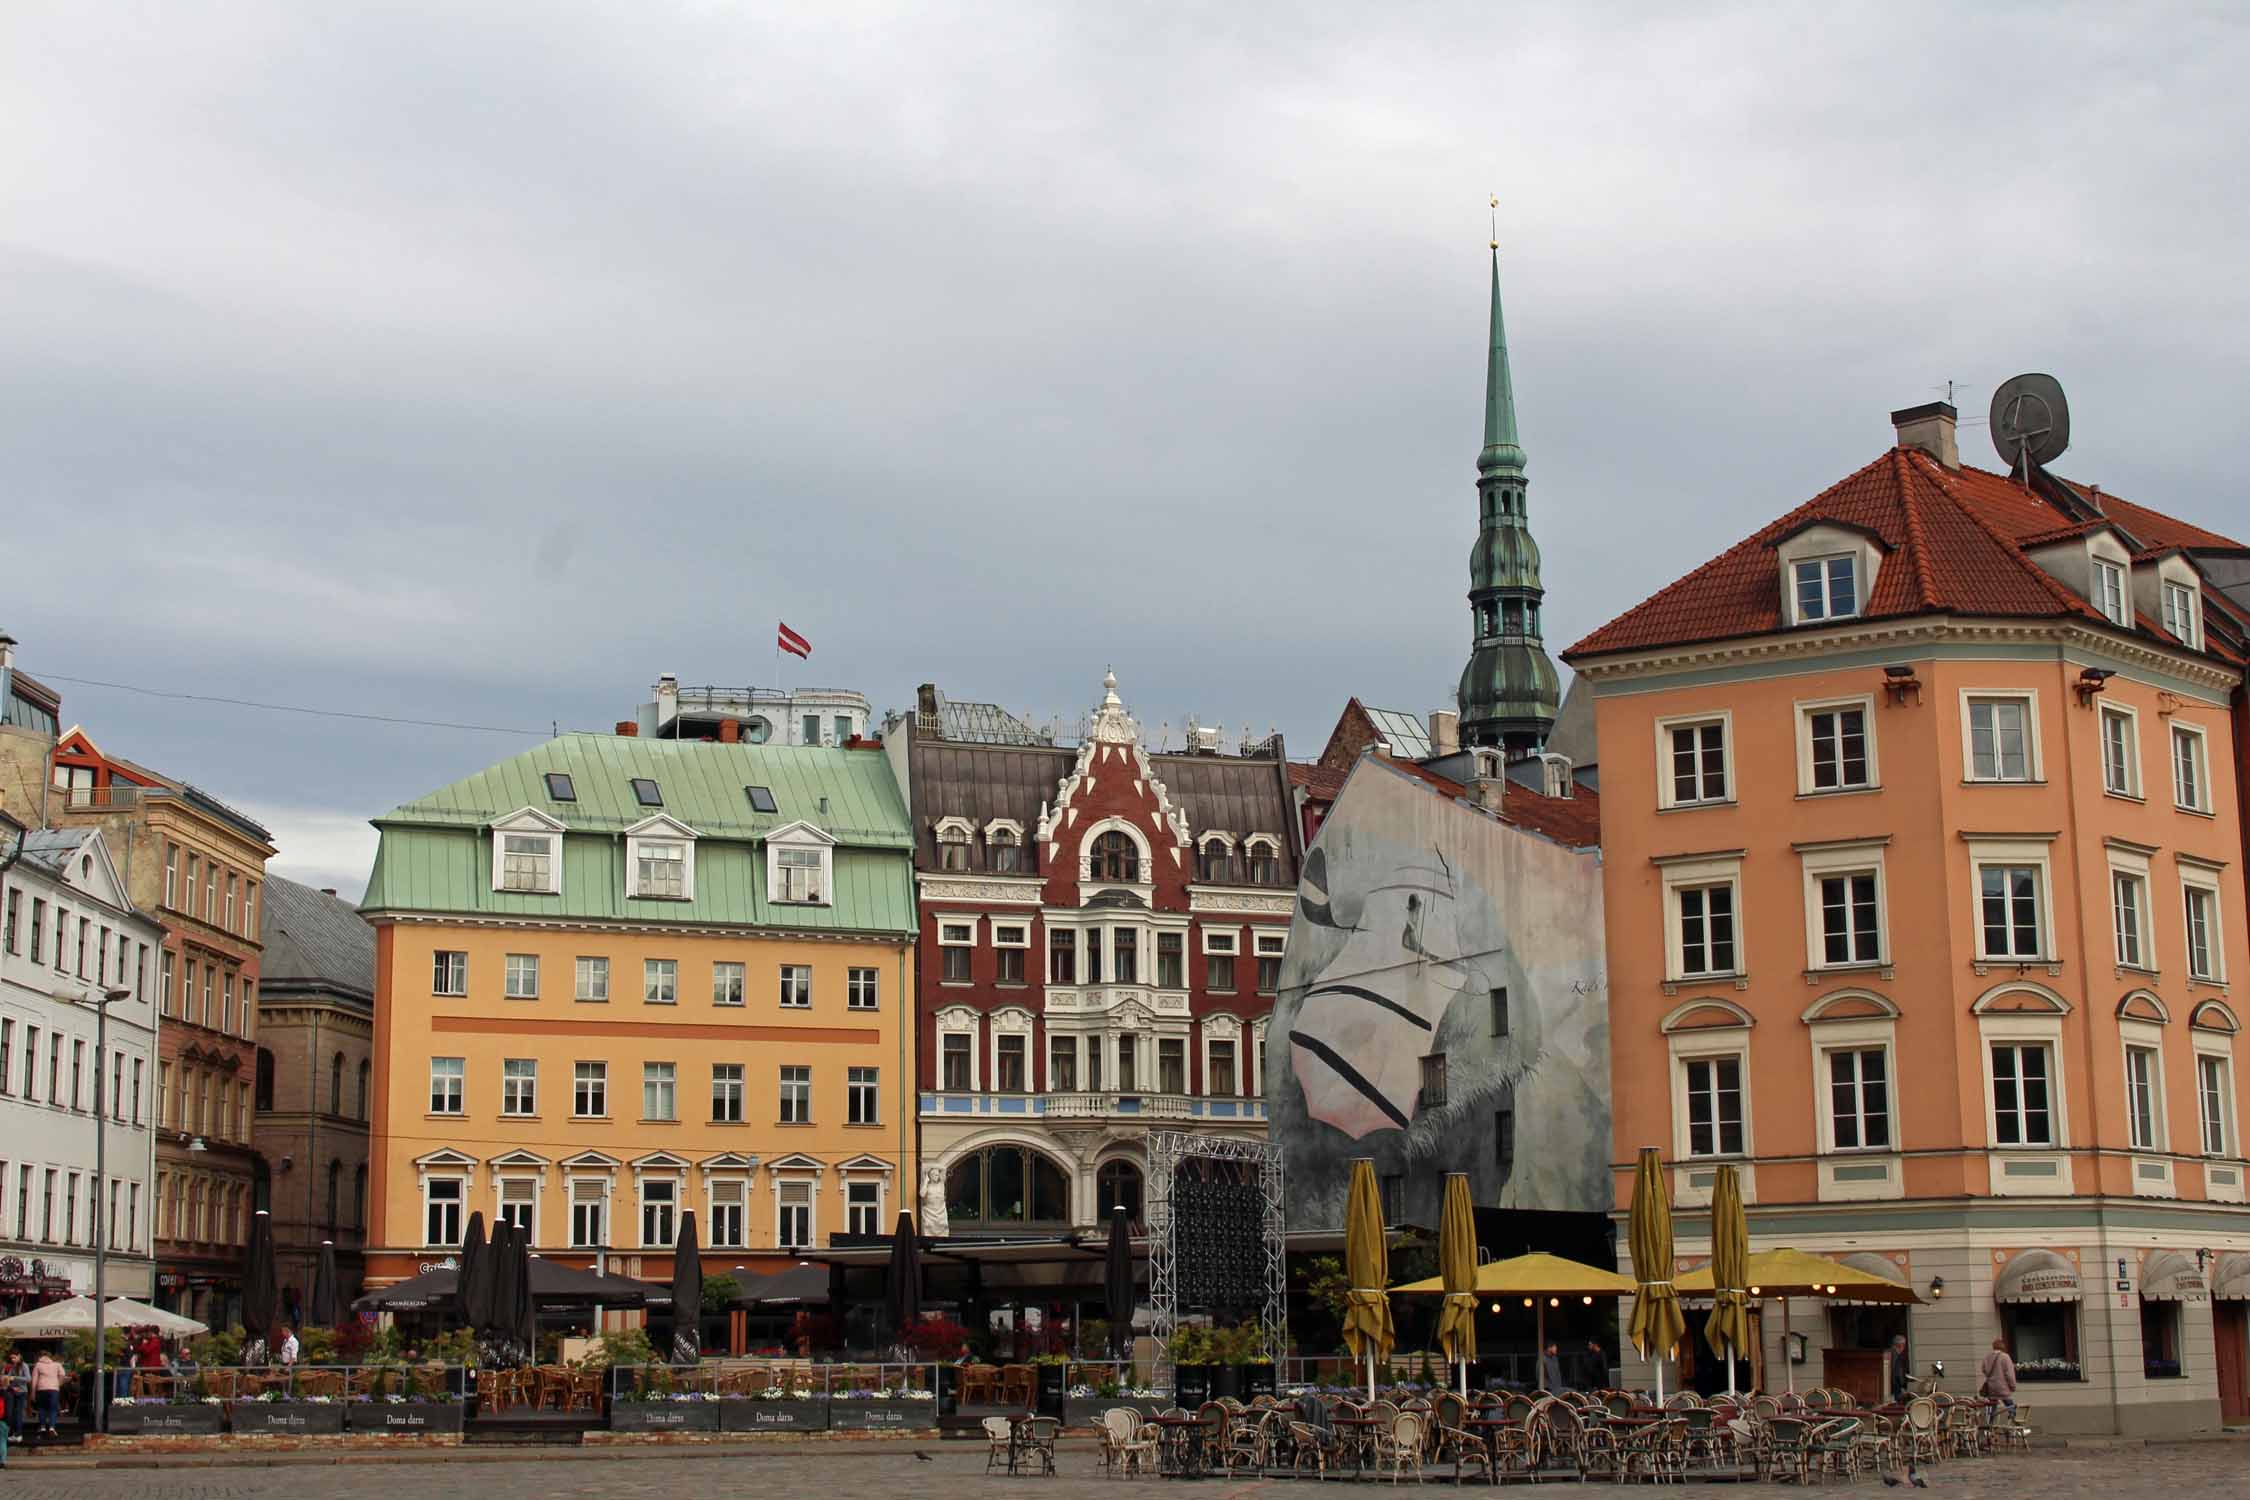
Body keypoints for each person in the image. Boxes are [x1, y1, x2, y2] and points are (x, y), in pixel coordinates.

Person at [1979, 1337, 2018, 1424]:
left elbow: (1983, 1369)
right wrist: (2013, 1386)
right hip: (2003, 1388)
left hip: (1991, 1388)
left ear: (1993, 1346)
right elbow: (2009, 1374)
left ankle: (1991, 1427)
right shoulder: (2005, 1357)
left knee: (1992, 1408)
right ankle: (2013, 1425)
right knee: (2011, 1406)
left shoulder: (1987, 1357)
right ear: (2003, 1347)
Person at [29, 1349, 65, 1437]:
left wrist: (32, 1392)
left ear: (40, 1357)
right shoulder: (57, 1364)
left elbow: (34, 1380)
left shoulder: (38, 1365)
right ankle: (52, 1427)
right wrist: (58, 1384)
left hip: (41, 1389)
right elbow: (63, 1375)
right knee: (53, 1409)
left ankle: (42, 1427)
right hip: (53, 1389)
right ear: (50, 1357)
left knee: (42, 1408)